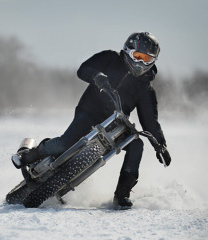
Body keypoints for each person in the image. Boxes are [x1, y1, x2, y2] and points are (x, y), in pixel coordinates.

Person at [20, 31, 171, 209]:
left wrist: (160, 144)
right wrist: (97, 76)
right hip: (89, 112)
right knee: (64, 143)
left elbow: (150, 121)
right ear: (128, 51)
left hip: (116, 124)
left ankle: (122, 195)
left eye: (146, 59)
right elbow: (82, 69)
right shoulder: (109, 58)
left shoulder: (146, 89)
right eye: (138, 56)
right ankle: (30, 155)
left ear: (153, 61)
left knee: (137, 145)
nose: (140, 62)